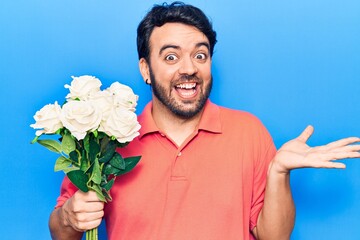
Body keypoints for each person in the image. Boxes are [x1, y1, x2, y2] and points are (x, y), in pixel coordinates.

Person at [49, 2, 360, 240]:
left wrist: (278, 172)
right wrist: (68, 218)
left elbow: (273, 236)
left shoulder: (249, 132)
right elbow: (62, 230)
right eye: (171, 57)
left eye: (200, 55)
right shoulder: (106, 141)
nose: (190, 69)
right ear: (145, 69)